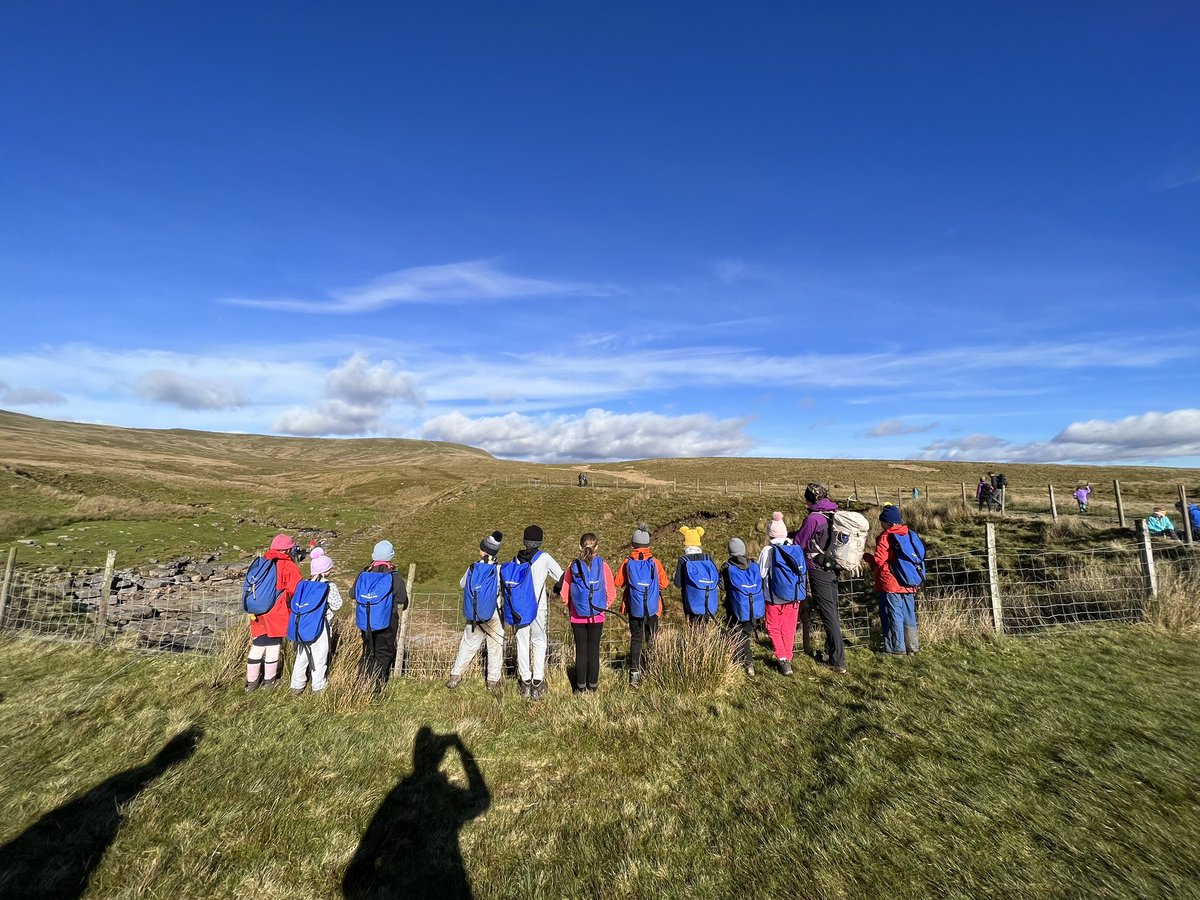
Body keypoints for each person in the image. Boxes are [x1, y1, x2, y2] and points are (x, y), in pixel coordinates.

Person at [794, 483, 849, 675]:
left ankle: (838, 661)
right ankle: (830, 652)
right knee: (832, 611)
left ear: (809, 498)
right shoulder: (834, 513)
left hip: (818, 569)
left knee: (828, 615)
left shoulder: (813, 519)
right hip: (833, 567)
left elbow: (799, 543)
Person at [511, 524, 563, 700]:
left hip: (519, 608)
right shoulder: (544, 558)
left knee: (522, 642)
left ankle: (525, 682)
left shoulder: (516, 559)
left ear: (524, 541)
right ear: (539, 541)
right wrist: (557, 589)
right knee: (539, 642)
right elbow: (562, 577)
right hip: (538, 607)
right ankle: (537, 682)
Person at [613, 523, 669, 687]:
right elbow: (664, 584)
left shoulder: (627, 562)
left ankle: (634, 675)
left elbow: (618, 582)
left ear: (633, 544)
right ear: (648, 545)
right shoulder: (655, 562)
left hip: (634, 607)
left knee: (636, 639)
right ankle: (652, 670)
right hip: (652, 608)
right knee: (652, 638)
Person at [448, 531, 505, 693]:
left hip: (475, 614)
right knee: (495, 647)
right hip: (495, 613)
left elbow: (462, 584)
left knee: (468, 644)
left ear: (484, 551)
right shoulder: (499, 569)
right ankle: (492, 682)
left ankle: (455, 676)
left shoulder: (473, 567)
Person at [245, 533, 302, 692]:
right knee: (273, 645)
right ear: (286, 550)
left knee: (258, 643)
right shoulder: (287, 565)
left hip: (257, 610)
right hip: (276, 610)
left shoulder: (261, 562)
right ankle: (269, 682)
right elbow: (295, 589)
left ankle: (251, 683)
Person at [561, 533, 615, 693]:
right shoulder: (603, 566)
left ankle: (579, 687)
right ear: (597, 546)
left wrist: (571, 607)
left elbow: (564, 592)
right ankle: (593, 686)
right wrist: (602, 607)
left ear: (580, 546)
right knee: (593, 650)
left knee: (581, 650)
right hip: (597, 615)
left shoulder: (573, 566)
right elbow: (611, 592)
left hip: (577, 616)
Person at [352, 539, 410, 690]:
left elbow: (352, 594)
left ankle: (362, 683)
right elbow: (402, 600)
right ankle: (377, 687)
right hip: (387, 620)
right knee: (383, 653)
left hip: (366, 620)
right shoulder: (394, 576)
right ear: (391, 556)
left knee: (368, 652)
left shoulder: (364, 574)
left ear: (374, 555)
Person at [756, 511, 806, 676]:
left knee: (773, 627)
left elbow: (761, 573)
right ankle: (788, 658)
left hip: (773, 597)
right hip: (793, 596)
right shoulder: (794, 548)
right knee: (789, 628)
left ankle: (782, 658)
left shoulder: (768, 550)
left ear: (770, 533)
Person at [866, 506, 920, 655]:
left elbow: (878, 560)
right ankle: (912, 647)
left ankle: (896, 649)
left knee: (892, 614)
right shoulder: (908, 534)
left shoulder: (886, 536)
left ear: (887, 522)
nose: (880, 524)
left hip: (891, 582)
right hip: (908, 581)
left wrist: (866, 557)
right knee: (908, 614)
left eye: (882, 521)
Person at [289, 550, 344, 695]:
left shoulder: (304, 584)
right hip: (321, 627)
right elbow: (337, 605)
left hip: (302, 626)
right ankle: (318, 687)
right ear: (326, 571)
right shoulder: (329, 586)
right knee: (319, 658)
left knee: (301, 657)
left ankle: (296, 686)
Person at [722, 537, 764, 676]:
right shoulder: (754, 565)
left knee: (737, 633)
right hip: (753, 607)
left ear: (730, 552)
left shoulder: (728, 567)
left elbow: (722, 586)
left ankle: (746, 662)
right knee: (745, 634)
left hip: (735, 607)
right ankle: (744, 660)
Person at [674, 526, 720, 623]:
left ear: (685, 542)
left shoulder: (684, 560)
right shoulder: (707, 558)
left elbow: (678, 583)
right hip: (708, 599)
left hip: (691, 602)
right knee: (705, 626)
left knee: (694, 628)